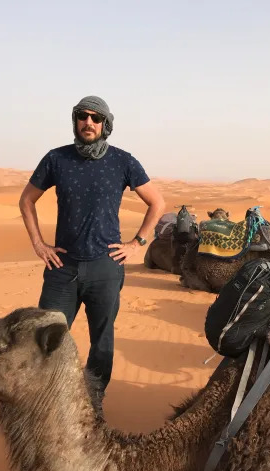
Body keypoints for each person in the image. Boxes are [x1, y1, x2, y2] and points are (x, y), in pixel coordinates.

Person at [19, 95, 165, 402]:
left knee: (102, 341)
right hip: (62, 267)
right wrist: (37, 243)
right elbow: (27, 199)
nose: (88, 122)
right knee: (46, 336)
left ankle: (94, 400)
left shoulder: (123, 161)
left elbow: (157, 202)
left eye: (95, 118)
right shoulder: (56, 159)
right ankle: (47, 400)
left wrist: (137, 243)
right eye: (83, 116)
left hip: (105, 267)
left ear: (105, 124)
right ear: (75, 120)